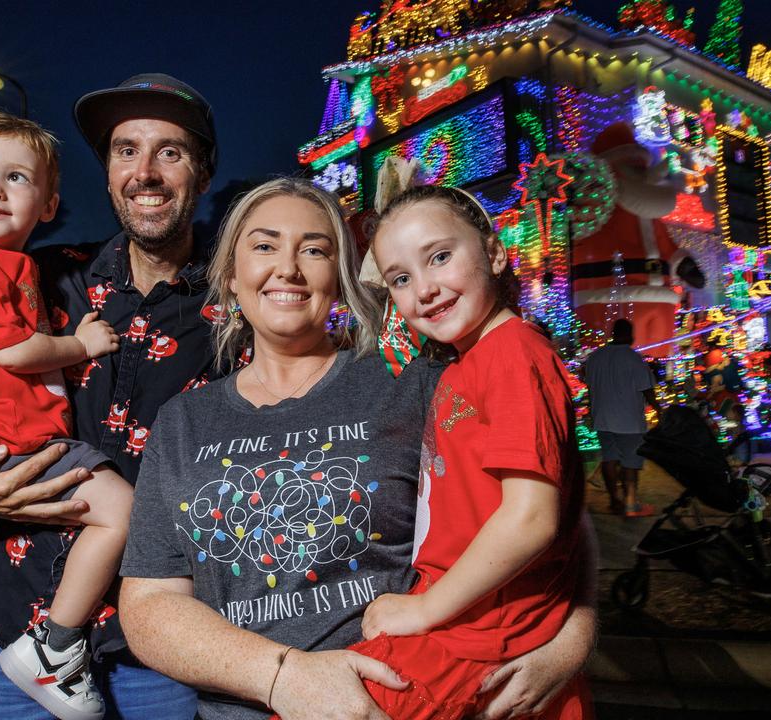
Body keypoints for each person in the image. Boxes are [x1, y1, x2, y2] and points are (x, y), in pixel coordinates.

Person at [118, 178, 598, 720]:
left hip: (419, 693)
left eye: (316, 249)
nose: (289, 268)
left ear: (344, 279)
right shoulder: (183, 421)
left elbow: (554, 515)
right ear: (230, 275)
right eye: (264, 245)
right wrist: (285, 678)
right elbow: (149, 605)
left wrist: (567, 645)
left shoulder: (420, 383)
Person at [0, 74, 224, 720]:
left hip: (157, 648)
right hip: (9, 624)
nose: (144, 172)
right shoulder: (49, 277)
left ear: (202, 174)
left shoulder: (238, 304)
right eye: (125, 151)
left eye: (169, 152)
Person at [0, 108, 132, 720]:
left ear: (49, 201)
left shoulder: (20, 265)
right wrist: (80, 345)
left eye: (15, 177)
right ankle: (53, 649)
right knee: (119, 513)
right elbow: (12, 348)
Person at [350, 182, 590, 717]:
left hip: (476, 633)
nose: (425, 289)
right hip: (469, 619)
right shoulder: (468, 361)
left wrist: (424, 610)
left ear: (495, 252)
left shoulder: (512, 353)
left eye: (440, 257)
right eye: (401, 279)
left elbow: (531, 518)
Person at [580, 319, 662, 517]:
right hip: (629, 422)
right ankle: (631, 503)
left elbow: (587, 381)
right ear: (629, 334)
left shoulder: (596, 357)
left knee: (609, 459)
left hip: (603, 419)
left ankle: (614, 501)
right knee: (630, 462)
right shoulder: (634, 359)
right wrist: (660, 410)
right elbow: (647, 390)